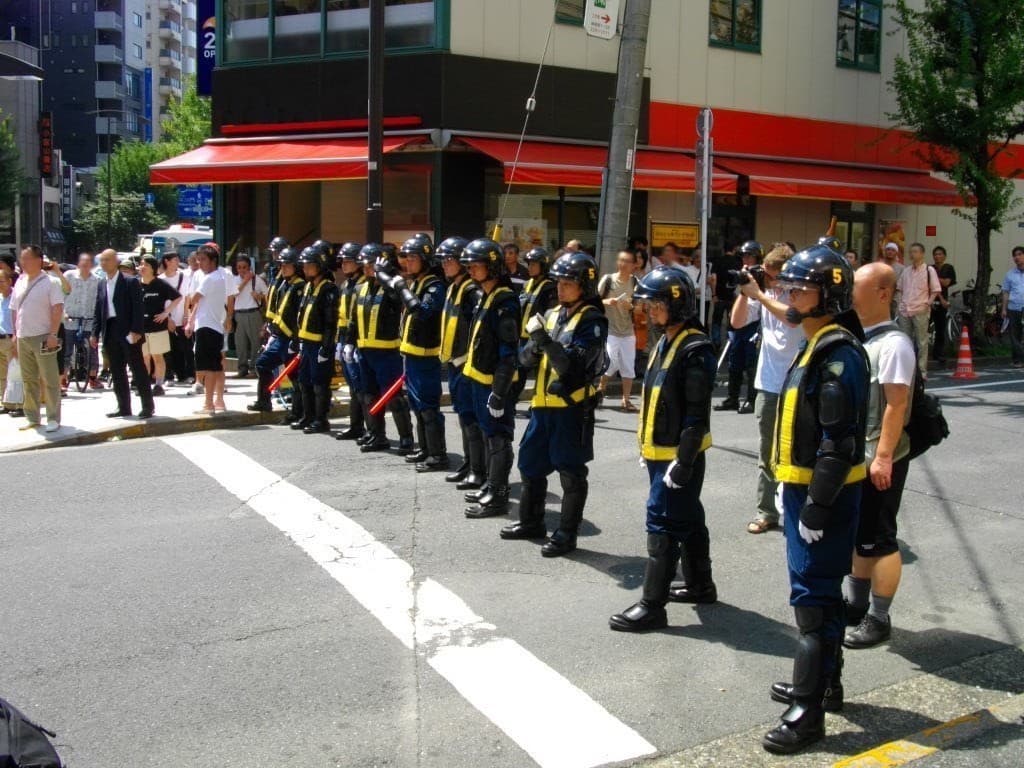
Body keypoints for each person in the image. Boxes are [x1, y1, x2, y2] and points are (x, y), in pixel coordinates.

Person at [762, 242, 868, 755]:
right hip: (805, 489)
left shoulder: (838, 353)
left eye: (798, 288)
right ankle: (825, 685)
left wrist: (817, 505)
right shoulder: (816, 342)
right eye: (787, 287)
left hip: (823, 496)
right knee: (820, 597)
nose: (788, 296)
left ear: (827, 295)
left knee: (812, 602)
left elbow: (838, 444)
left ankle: (808, 714)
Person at [607, 267, 716, 631]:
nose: (650, 311)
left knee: (662, 524)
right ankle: (701, 583)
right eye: (648, 304)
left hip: (676, 457)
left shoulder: (695, 347)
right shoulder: (670, 338)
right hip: (662, 454)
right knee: (688, 517)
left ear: (677, 304)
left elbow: (696, 415)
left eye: (656, 304)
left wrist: (683, 462)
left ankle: (653, 606)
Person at [501, 251, 608, 556]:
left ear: (584, 286)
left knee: (570, 472)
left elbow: (573, 368)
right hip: (542, 405)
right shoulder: (551, 314)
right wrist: (534, 348)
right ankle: (531, 521)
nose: (560, 288)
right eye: (558, 281)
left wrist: (544, 342)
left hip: (571, 408)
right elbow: (524, 358)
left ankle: (566, 533)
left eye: (568, 283)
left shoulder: (593, 321)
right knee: (530, 464)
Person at [844, 262, 915, 651]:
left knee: (880, 537)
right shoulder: (864, 337)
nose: (850, 294)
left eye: (857, 287)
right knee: (861, 531)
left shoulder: (894, 344)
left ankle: (879, 617)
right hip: (861, 454)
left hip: (880, 454)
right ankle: (855, 606)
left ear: (883, 293)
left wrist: (884, 457)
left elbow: (896, 406)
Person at [731, 244, 802, 534]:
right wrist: (744, 292)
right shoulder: (765, 293)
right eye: (767, 274)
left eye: (775, 276)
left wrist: (758, 293)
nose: (771, 280)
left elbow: (792, 316)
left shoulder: (799, 296)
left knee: (799, 450)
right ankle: (766, 511)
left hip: (798, 384)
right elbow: (736, 323)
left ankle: (800, 511)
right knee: (767, 452)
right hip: (769, 384)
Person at [460, 238, 521, 519]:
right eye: (469, 265)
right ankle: (489, 484)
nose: (470, 270)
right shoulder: (485, 295)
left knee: (498, 438)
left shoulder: (505, 301)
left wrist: (499, 392)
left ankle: (498, 496)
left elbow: (508, 354)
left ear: (492, 267)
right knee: (487, 434)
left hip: (493, 383)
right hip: (478, 379)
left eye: (476, 265)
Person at [345, 243, 415, 453]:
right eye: (364, 265)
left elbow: (399, 301)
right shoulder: (360, 288)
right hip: (365, 352)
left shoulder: (392, 287)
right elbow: (353, 320)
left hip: (387, 353)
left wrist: (387, 278)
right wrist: (349, 343)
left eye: (370, 265)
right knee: (368, 396)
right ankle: (377, 435)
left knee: (394, 397)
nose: (366, 269)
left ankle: (406, 438)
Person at [396, 233, 449, 469]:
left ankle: (438, 455)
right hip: (412, 354)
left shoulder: (435, 285)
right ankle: (425, 448)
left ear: (425, 259)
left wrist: (402, 289)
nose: (408, 262)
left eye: (413, 258)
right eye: (406, 258)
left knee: (428, 407)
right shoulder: (417, 283)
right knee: (416, 405)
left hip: (426, 356)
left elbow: (424, 311)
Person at [436, 237, 485, 488]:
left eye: (449, 259)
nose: (444, 264)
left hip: (467, 364)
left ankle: (479, 469)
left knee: (471, 418)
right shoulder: (454, 287)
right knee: (463, 417)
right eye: (443, 260)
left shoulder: (472, 291)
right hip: (454, 364)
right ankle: (469, 463)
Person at [91, 248, 154, 420]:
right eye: (101, 260)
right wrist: (94, 333)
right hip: (110, 329)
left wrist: (136, 330)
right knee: (117, 370)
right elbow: (99, 309)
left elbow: (138, 308)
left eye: (107, 260)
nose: (103, 263)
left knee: (137, 368)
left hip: (128, 329)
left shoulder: (130, 281)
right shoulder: (102, 283)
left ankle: (147, 406)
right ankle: (124, 406)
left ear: (116, 262)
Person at [10, 246, 65, 432]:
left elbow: (57, 309)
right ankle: (32, 417)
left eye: (26, 259)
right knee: (28, 379)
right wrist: (15, 334)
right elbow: (15, 310)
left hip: (43, 336)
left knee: (49, 379)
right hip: (23, 336)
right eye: (21, 259)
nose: (22, 262)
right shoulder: (19, 282)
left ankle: (53, 418)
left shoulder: (51, 282)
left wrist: (53, 334)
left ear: (38, 260)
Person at [249, 245, 306, 419]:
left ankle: (297, 413)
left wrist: (296, 340)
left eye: (287, 265)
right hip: (279, 336)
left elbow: (300, 316)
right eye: (282, 265)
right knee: (262, 364)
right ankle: (264, 401)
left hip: (291, 338)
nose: (283, 268)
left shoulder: (300, 287)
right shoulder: (284, 283)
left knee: (295, 377)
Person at [290, 245, 339, 434]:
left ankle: (321, 419)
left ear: (320, 265)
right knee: (304, 381)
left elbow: (330, 321)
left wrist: (326, 347)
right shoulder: (309, 286)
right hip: (306, 343)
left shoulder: (329, 289)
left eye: (309, 265)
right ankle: (307, 416)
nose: (305, 268)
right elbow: (301, 316)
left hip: (319, 344)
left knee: (320, 384)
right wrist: (297, 339)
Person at [716, 240, 763, 413]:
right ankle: (732, 398)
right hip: (739, 324)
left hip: (753, 324)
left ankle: (751, 399)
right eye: (744, 255)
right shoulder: (742, 272)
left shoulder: (761, 274)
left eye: (750, 255)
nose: (746, 259)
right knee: (734, 363)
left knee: (751, 364)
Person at [509, 246, 557, 407]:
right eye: (529, 264)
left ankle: (536, 404)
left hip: (537, 338)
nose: (530, 267)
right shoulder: (527, 284)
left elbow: (550, 314)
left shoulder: (550, 288)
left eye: (534, 264)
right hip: (521, 337)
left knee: (539, 373)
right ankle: (511, 402)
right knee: (518, 372)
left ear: (543, 267)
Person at [184, 243, 228, 415]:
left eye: (202, 260)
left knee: (209, 368)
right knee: (216, 367)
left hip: (207, 326)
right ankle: (217, 402)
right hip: (215, 326)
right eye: (198, 260)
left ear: (213, 261)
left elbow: (193, 299)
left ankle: (208, 403)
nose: (199, 263)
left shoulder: (209, 279)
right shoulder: (221, 277)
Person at [331, 242, 366, 438]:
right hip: (344, 337)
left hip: (356, 340)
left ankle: (364, 428)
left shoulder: (361, 285)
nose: (344, 264)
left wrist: (351, 342)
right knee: (352, 386)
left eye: (348, 261)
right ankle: (356, 426)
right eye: (342, 261)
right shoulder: (345, 284)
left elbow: (357, 317)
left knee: (360, 386)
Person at [598, 250, 639, 411]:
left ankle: (626, 400)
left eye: (627, 261)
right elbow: (594, 302)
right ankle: (601, 389)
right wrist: (608, 301)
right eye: (621, 260)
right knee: (611, 361)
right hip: (610, 329)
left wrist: (632, 307)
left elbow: (641, 309)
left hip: (628, 331)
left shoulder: (636, 283)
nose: (623, 264)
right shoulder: (608, 280)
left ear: (634, 265)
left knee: (628, 366)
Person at [138, 256, 182, 396]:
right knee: (144, 357)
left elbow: (178, 297)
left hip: (157, 326)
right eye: (141, 264)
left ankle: (158, 385)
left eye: (145, 265)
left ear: (153, 268)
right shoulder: (135, 284)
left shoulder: (160, 284)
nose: (142, 267)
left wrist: (166, 313)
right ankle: (144, 385)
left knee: (157, 356)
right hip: (140, 327)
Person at [896, 242, 941, 379]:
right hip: (905, 309)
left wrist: (927, 304)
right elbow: (899, 288)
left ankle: (922, 370)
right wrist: (900, 304)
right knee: (905, 340)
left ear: (922, 254)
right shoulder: (906, 270)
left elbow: (935, 290)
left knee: (922, 341)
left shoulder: (929, 270)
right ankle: (906, 368)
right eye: (911, 252)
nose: (912, 254)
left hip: (920, 309)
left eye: (915, 251)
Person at [62, 251, 103, 390]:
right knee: (67, 350)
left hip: (89, 319)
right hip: (70, 318)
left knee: (92, 348)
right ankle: (64, 377)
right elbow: (61, 295)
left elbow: (100, 300)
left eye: (88, 264)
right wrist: (64, 312)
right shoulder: (69, 276)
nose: (85, 267)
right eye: (83, 263)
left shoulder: (97, 280)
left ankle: (92, 377)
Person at [158, 251, 195, 386]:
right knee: (168, 348)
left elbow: (187, 298)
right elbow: (159, 302)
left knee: (186, 348)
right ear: (167, 261)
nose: (177, 262)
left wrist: (186, 315)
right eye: (174, 260)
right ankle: (169, 375)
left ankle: (187, 374)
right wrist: (168, 319)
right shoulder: (160, 280)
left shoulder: (183, 277)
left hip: (182, 317)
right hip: (166, 319)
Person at [229, 256, 268, 378]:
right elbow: (233, 294)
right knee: (240, 343)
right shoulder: (234, 280)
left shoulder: (257, 280)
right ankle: (242, 368)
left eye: (244, 267)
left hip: (253, 313)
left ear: (249, 267)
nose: (242, 270)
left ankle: (254, 369)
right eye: (239, 267)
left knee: (255, 343)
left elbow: (267, 295)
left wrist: (259, 296)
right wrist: (245, 281)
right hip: (239, 314)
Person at [929, 246, 956, 366]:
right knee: (923, 328)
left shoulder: (948, 268)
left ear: (944, 256)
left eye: (940, 254)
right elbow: (929, 285)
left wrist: (934, 278)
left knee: (940, 329)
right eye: (935, 254)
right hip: (929, 301)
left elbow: (946, 282)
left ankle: (938, 353)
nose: (937, 256)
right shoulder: (929, 268)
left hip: (942, 302)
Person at [999, 246, 1024, 368]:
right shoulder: (1010, 274)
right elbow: (1005, 292)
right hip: (1014, 307)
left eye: (1020, 254)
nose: (1017, 257)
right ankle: (1018, 359)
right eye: (1015, 255)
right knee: (1014, 334)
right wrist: (1004, 308)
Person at [0, 270, 20, 415]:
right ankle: (6, 404)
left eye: (1, 281)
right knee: (2, 375)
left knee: (15, 374)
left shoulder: (16, 297)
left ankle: (18, 404)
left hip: (12, 339)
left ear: (9, 281)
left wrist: (17, 340)